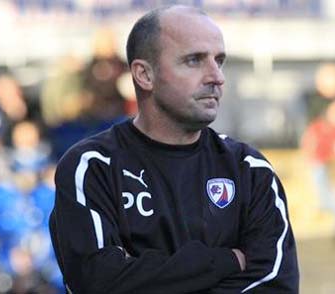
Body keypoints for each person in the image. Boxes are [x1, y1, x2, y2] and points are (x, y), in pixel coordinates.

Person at [49, 5, 299, 293]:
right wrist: (223, 261)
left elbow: (274, 285)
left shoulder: (249, 170)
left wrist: (141, 273)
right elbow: (98, 281)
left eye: (219, 60)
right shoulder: (92, 167)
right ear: (144, 75)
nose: (216, 76)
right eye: (194, 60)